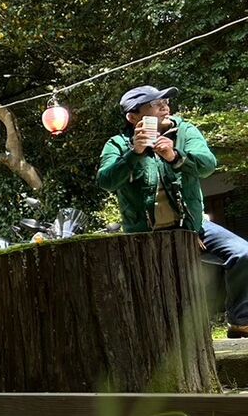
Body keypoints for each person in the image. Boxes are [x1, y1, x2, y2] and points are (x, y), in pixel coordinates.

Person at [98, 85, 248, 338]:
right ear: (133, 117)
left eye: (165, 101)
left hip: (192, 225)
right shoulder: (118, 144)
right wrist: (134, 154)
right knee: (156, 288)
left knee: (243, 253)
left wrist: (175, 155)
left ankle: (240, 320)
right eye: (155, 104)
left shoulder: (185, 131)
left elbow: (208, 165)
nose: (165, 106)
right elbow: (106, 181)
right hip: (145, 233)